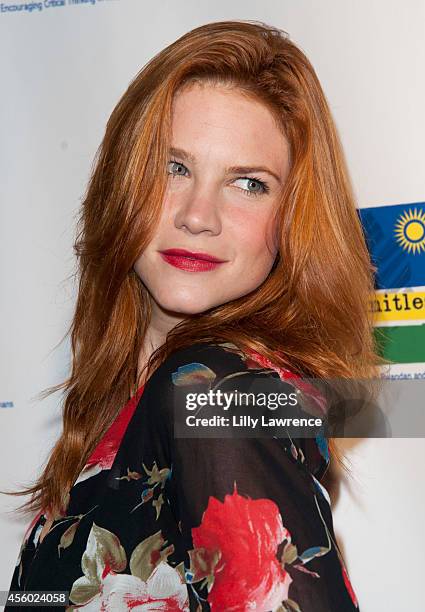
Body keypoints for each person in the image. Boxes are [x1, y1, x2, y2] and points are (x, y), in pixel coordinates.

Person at [3, 20, 384, 611]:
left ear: (292, 223)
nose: (198, 215)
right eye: (173, 167)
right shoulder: (135, 402)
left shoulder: (213, 393)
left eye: (249, 184)